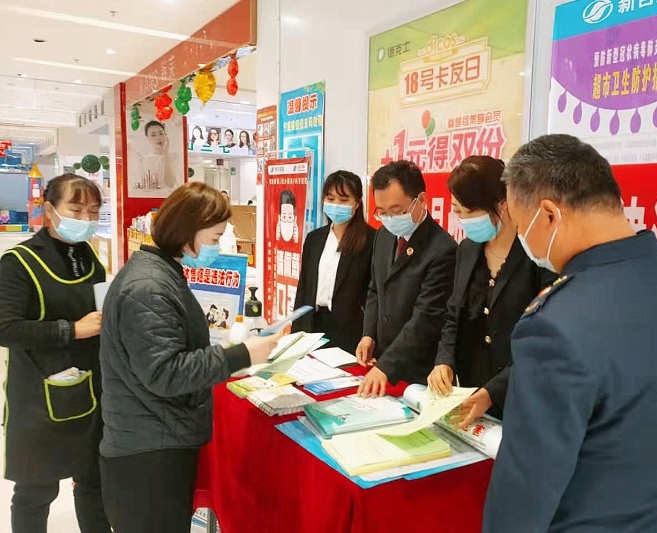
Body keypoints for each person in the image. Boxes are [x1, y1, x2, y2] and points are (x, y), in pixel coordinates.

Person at [482, 135, 657, 533]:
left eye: (519, 225)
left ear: (548, 215)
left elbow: (525, 491)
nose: (522, 240)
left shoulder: (554, 326)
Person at [98, 182, 282, 533]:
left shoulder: (160, 273)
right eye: (214, 238)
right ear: (186, 231)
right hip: (149, 453)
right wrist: (242, 354)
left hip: (155, 438)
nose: (217, 247)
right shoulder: (149, 288)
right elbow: (165, 372)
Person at [0, 174, 110, 533]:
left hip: (89, 390)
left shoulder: (88, 258)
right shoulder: (18, 262)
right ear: (49, 209)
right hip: (38, 395)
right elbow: (6, 328)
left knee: (93, 482)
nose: (86, 218)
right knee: (36, 491)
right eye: (76, 210)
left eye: (93, 211)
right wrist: (72, 329)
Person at [427, 156, 556, 426]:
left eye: (471, 212)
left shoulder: (537, 255)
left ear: (503, 204)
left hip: (522, 397)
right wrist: (443, 361)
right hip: (471, 393)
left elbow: (542, 340)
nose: (464, 220)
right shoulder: (467, 250)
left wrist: (493, 392)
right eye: (458, 211)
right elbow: (453, 315)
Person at [356, 160, 457, 396]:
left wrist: (386, 366)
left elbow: (425, 318)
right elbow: (375, 289)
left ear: (421, 200)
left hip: (417, 371)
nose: (390, 219)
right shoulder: (384, 235)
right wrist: (369, 333)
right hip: (382, 362)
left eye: (397, 211)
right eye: (382, 212)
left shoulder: (442, 249)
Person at [292, 171, 377, 354]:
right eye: (331, 199)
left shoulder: (372, 240)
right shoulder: (314, 238)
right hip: (313, 325)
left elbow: (375, 294)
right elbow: (304, 288)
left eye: (344, 200)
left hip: (351, 332)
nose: (336, 204)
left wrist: (369, 335)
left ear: (357, 203)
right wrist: (295, 335)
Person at [139, 120, 178, 191]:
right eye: (153, 135)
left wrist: (165, 154)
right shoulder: (145, 160)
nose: (158, 138)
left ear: (165, 135)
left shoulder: (174, 157)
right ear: (147, 138)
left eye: (161, 133)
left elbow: (171, 184)